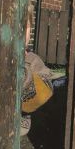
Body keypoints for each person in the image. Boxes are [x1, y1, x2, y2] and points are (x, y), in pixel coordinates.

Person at [21, 7, 53, 136]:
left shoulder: (33, 60)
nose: (21, 32)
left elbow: (47, 89)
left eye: (25, 27)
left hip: (20, 124)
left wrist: (26, 76)